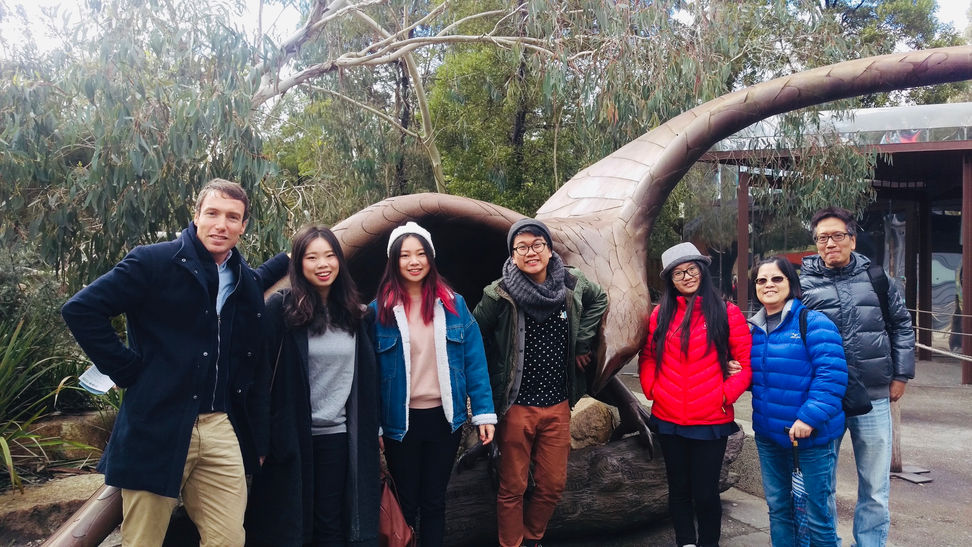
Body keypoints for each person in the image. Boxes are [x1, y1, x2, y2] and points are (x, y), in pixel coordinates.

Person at [61, 179, 289, 546]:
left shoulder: (243, 279)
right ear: (195, 215)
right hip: (158, 424)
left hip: (219, 425)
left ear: (244, 226)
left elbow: (258, 299)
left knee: (229, 539)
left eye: (233, 217)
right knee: (144, 540)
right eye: (212, 213)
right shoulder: (153, 261)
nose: (221, 225)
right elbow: (82, 309)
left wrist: (291, 257)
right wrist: (128, 370)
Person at [473, 218, 608, 547]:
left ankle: (533, 538)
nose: (530, 252)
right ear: (513, 254)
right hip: (517, 406)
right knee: (512, 487)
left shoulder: (571, 283)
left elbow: (599, 299)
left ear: (549, 250)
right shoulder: (499, 294)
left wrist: (582, 344)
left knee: (552, 484)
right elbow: (473, 333)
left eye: (537, 245)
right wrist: (490, 380)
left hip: (558, 405)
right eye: (522, 246)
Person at [245, 225, 379, 546]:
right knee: (289, 526)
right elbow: (260, 377)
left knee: (330, 524)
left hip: (336, 436)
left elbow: (369, 382)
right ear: (299, 264)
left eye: (330, 255)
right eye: (312, 257)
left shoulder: (357, 316)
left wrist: (377, 430)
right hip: (289, 438)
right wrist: (260, 440)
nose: (323, 264)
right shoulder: (281, 309)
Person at [370, 221, 496, 547]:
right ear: (394, 261)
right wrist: (375, 428)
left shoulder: (454, 306)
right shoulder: (377, 313)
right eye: (405, 255)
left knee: (435, 500)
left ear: (431, 258)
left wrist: (483, 413)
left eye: (421, 253)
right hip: (401, 423)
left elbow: (475, 363)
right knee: (406, 501)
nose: (414, 261)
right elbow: (368, 377)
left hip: (444, 420)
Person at [800, 207, 915, 547]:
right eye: (822, 238)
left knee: (875, 488)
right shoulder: (801, 284)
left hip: (874, 395)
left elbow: (901, 326)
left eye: (837, 235)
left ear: (852, 238)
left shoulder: (878, 278)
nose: (829, 243)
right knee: (821, 485)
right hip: (824, 398)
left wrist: (901, 374)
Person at [638, 242, 752, 547]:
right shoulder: (660, 314)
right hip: (668, 417)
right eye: (678, 273)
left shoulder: (727, 313)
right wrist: (652, 390)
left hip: (710, 419)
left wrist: (723, 396)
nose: (686, 277)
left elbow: (745, 365)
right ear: (670, 280)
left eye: (691, 270)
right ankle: (686, 542)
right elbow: (647, 357)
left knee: (705, 492)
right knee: (678, 489)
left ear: (702, 271)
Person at [749, 256, 848, 547]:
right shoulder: (752, 330)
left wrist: (808, 417)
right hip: (769, 436)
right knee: (779, 508)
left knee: (817, 514)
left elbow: (832, 376)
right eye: (761, 280)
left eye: (776, 278)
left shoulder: (814, 323)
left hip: (812, 436)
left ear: (791, 284)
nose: (768, 285)